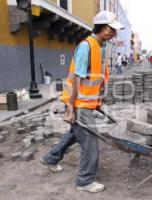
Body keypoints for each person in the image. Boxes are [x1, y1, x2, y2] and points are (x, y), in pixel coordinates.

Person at [40, 11, 124, 193]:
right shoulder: (86, 46)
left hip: (86, 104)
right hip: (78, 105)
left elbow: (93, 79)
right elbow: (77, 79)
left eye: (115, 30)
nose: (113, 33)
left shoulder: (99, 47)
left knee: (75, 134)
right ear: (101, 27)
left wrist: (97, 100)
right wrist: (70, 108)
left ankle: (50, 158)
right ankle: (84, 181)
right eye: (111, 29)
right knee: (90, 142)